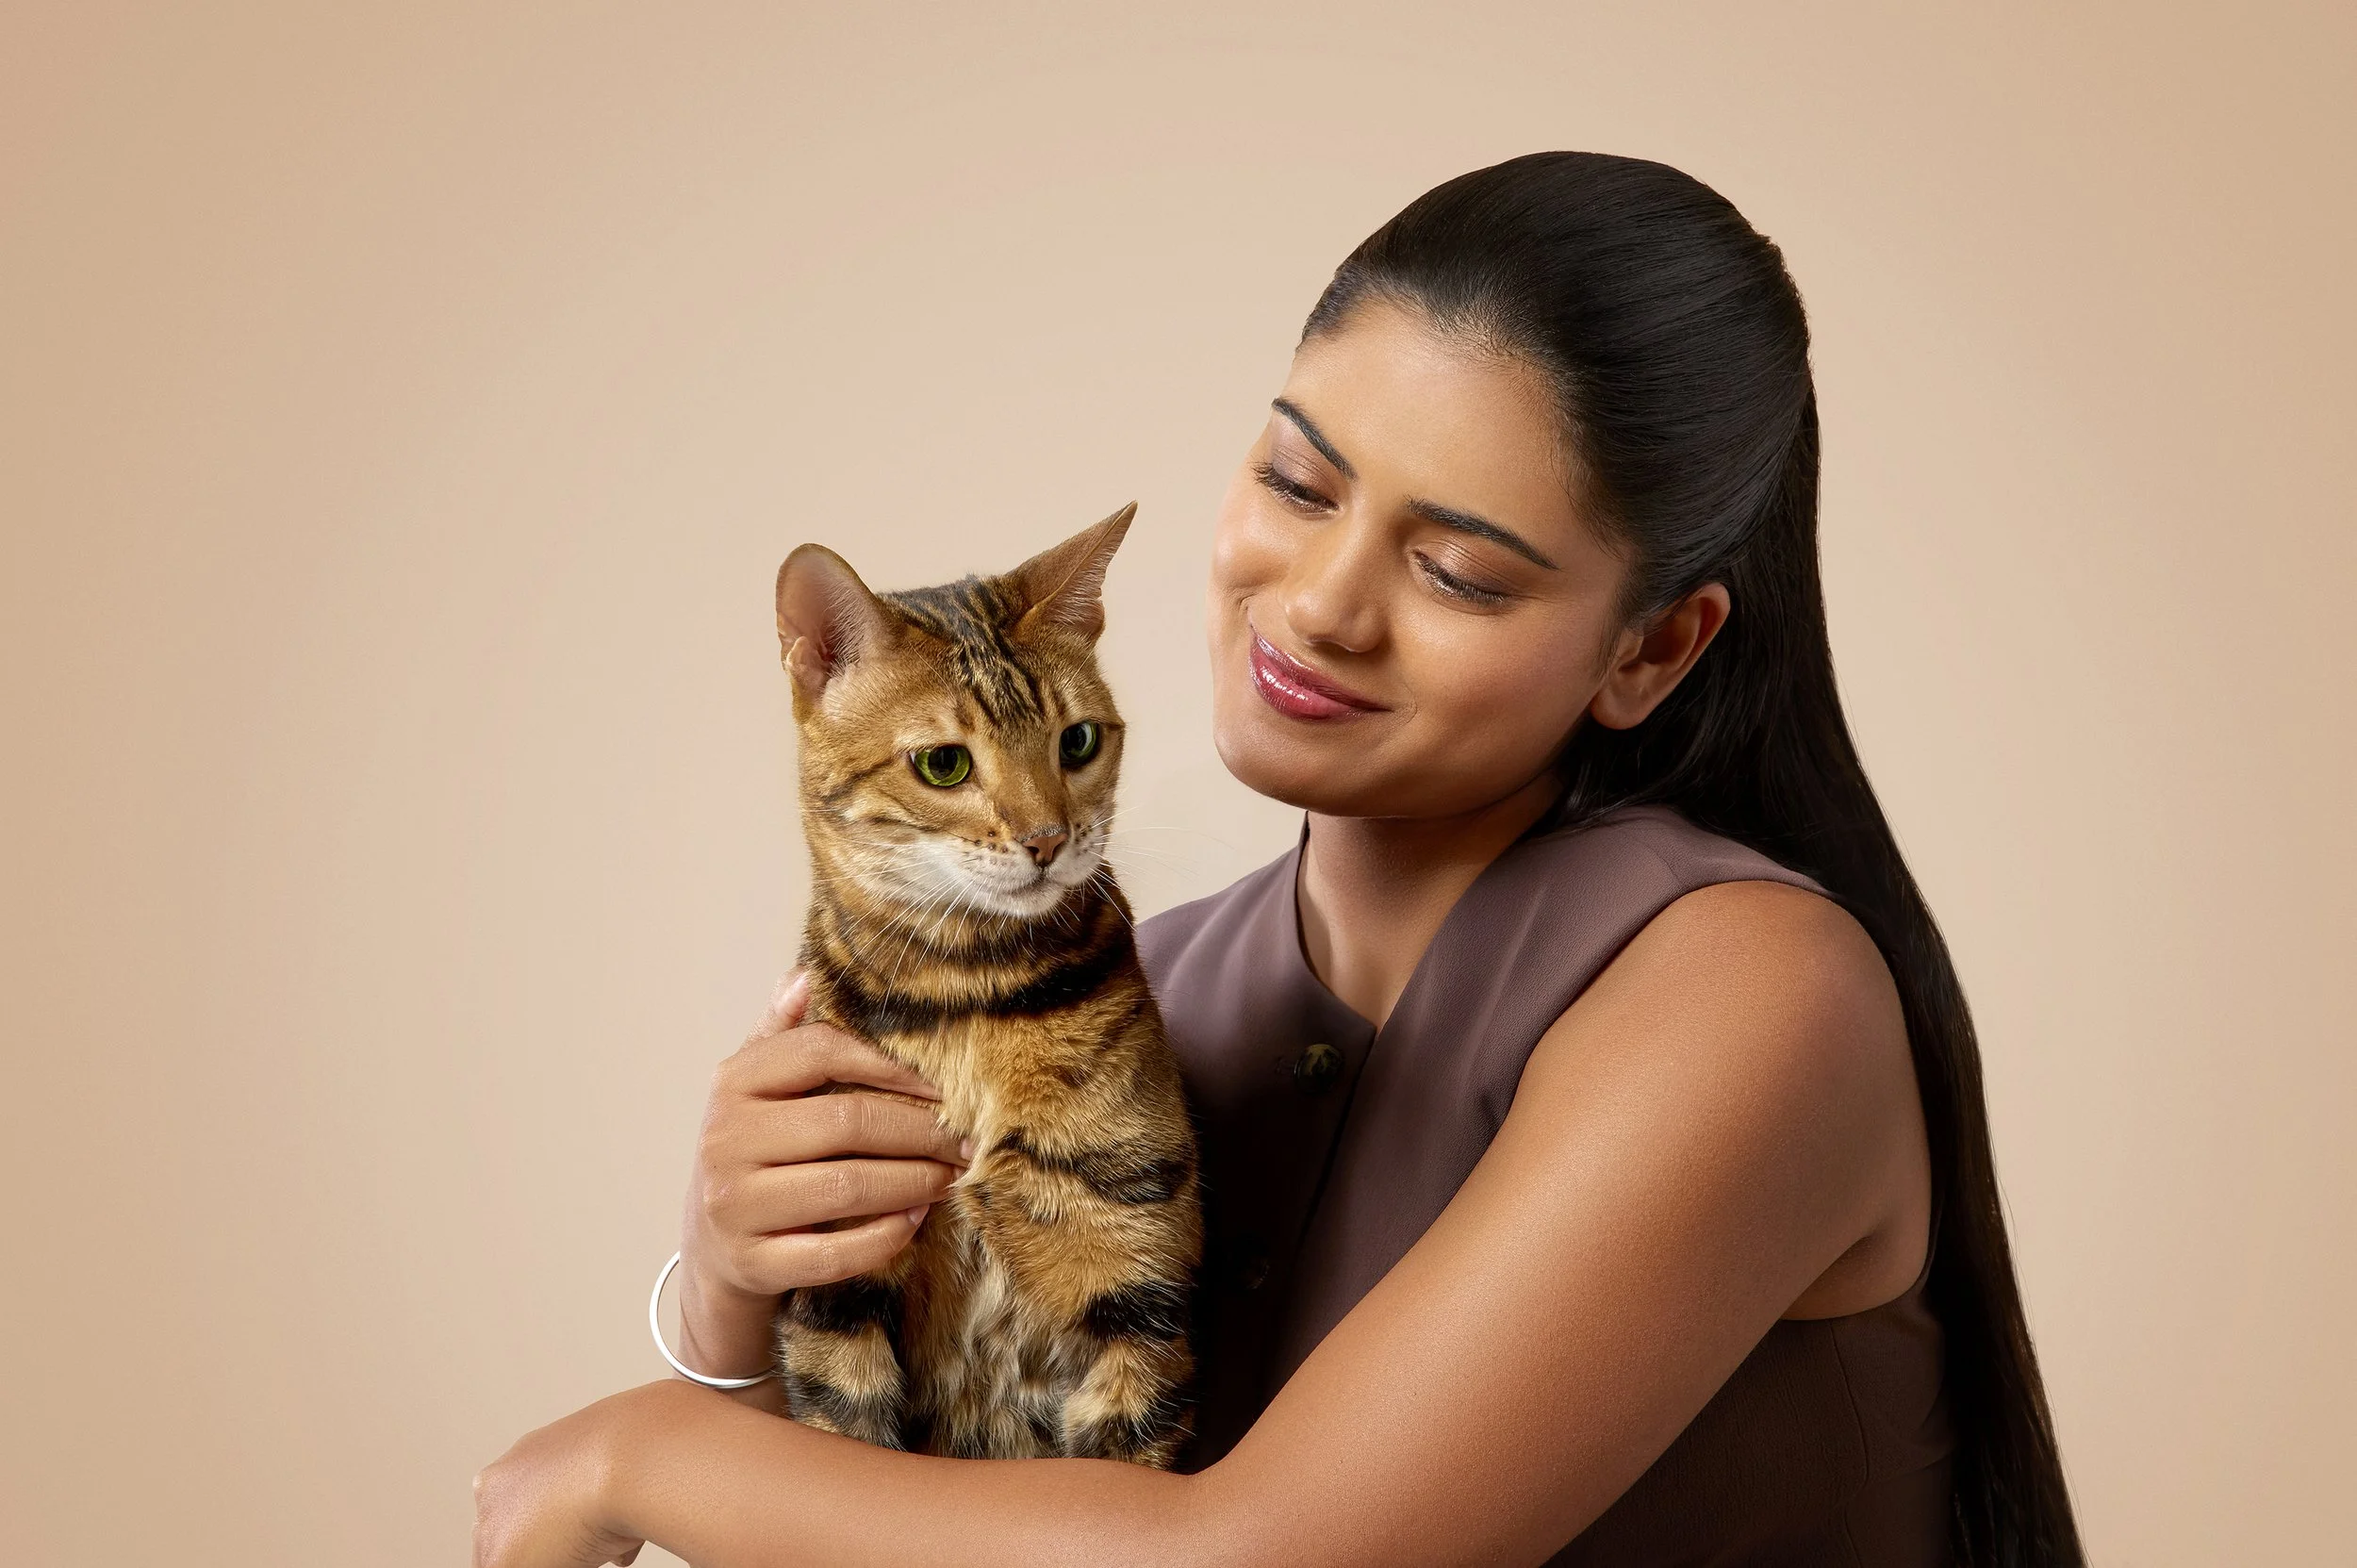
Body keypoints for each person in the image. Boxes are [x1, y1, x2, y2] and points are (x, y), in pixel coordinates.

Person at [473, 152, 2082, 1567]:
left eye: (1456, 570)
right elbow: (918, 1523)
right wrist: (732, 1294)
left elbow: (1255, 1559)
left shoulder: (1751, 996)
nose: (1317, 601)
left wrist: (636, 1456)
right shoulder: (1141, 993)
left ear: (1651, 650)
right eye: (1298, 481)